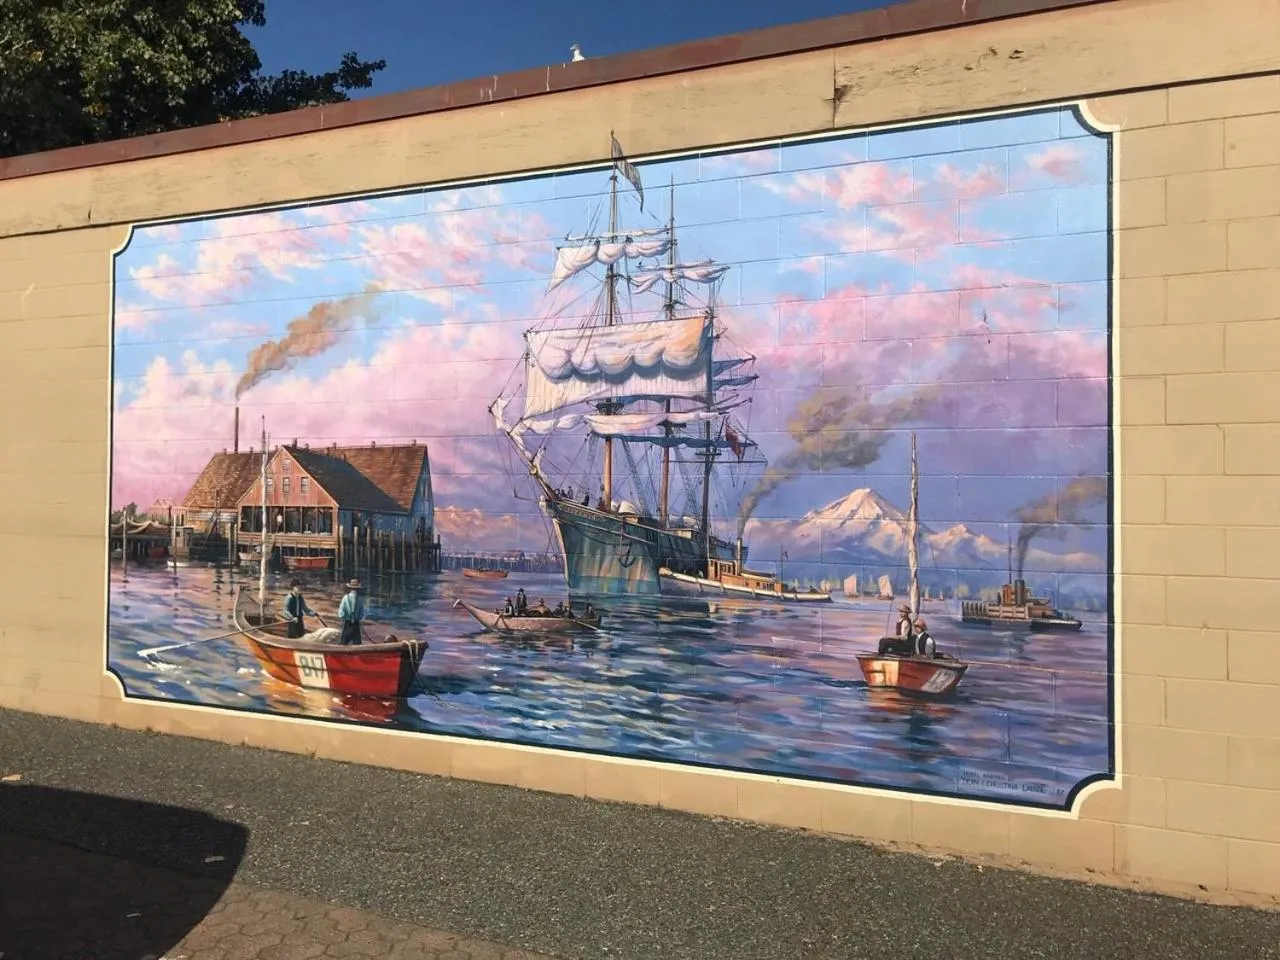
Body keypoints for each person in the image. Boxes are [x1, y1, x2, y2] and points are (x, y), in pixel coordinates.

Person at [337, 579, 366, 646]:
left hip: (347, 624)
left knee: (343, 644)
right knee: (357, 644)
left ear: (350, 588)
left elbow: (341, 614)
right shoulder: (360, 599)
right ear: (358, 589)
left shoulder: (345, 598)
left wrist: (344, 617)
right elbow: (361, 615)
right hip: (356, 624)